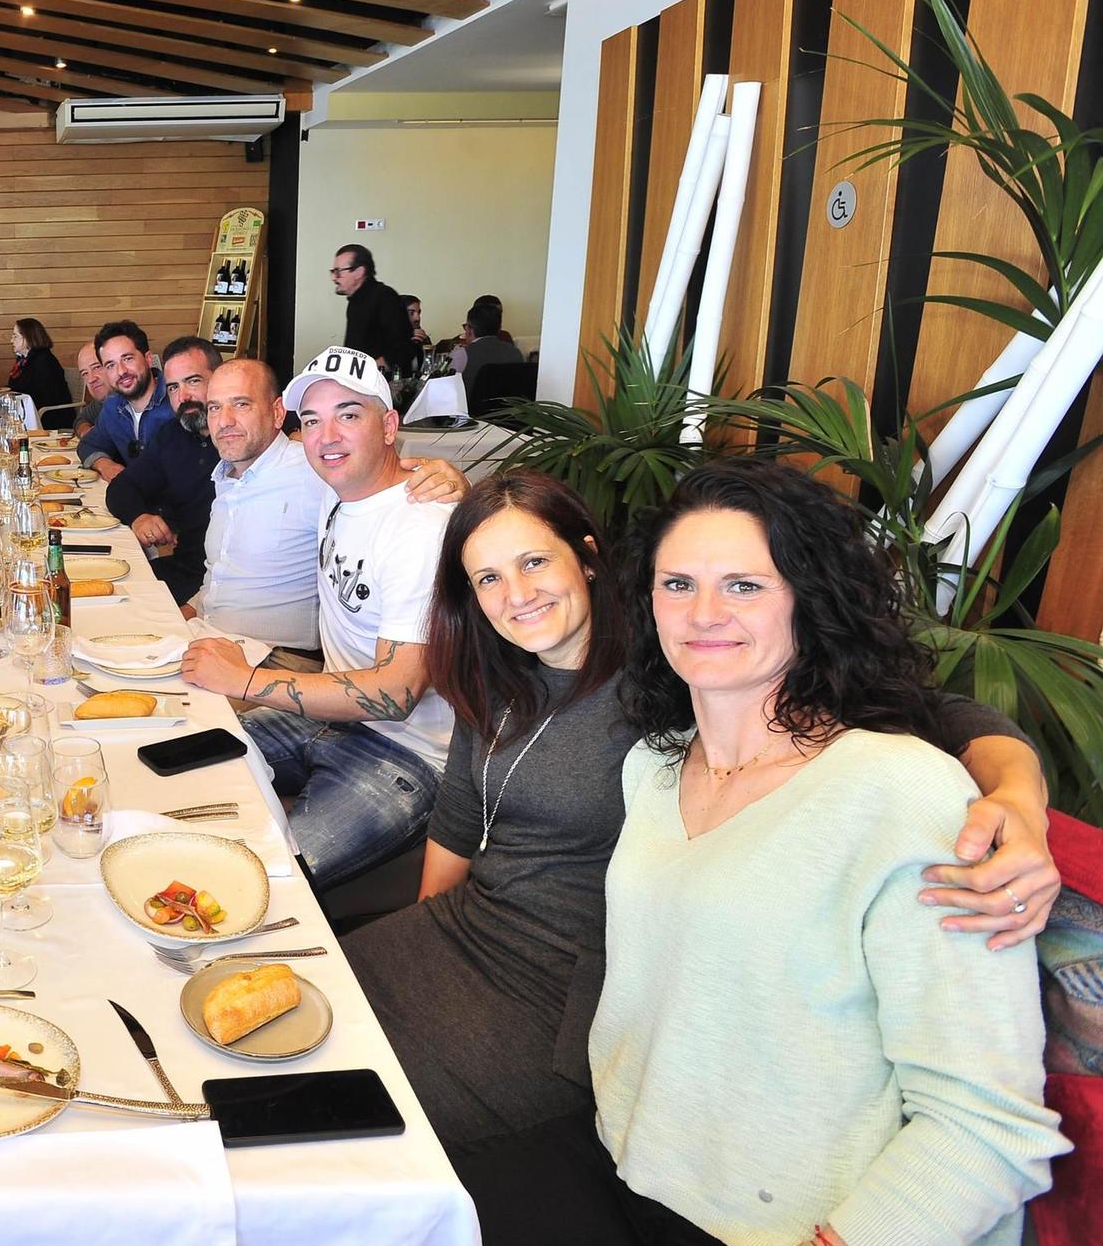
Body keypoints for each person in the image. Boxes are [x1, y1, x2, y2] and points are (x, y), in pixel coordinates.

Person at [342, 470, 1060, 1164]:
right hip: (472, 937)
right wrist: (424, 951)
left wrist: (1018, 793)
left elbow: (938, 713)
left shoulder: (677, 671)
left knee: (341, 1121)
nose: (517, 594)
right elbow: (459, 823)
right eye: (489, 577)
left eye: (534, 561)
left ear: (588, 558)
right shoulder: (497, 668)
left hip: (572, 993)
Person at [181, 346, 455, 888]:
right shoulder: (334, 493)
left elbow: (398, 694)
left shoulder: (421, 525)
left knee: (261, 884)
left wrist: (248, 681)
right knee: (173, 767)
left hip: (406, 756)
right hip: (328, 718)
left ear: (389, 426)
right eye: (312, 420)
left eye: (349, 415)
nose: (326, 436)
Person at [185, 358, 468, 665]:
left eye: (241, 404)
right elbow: (217, 579)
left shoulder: (316, 470)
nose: (224, 420)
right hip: (209, 636)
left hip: (275, 658)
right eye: (214, 407)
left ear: (278, 413)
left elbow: (379, 473)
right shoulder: (226, 477)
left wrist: (459, 485)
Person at [103, 336, 222, 603]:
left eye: (193, 381)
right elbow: (122, 487)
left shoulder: (240, 439)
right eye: (173, 388)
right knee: (108, 593)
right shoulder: (172, 435)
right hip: (186, 570)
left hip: (227, 587)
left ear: (220, 379)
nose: (183, 397)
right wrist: (139, 517)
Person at [76, 320, 171, 481]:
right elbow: (88, 445)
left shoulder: (176, 402)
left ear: (148, 359)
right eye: (110, 365)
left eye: (127, 359)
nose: (121, 371)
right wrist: (105, 464)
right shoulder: (113, 406)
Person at [332, 244, 414, 374]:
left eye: (338, 272)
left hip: (382, 386)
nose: (334, 278)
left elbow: (402, 348)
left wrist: (363, 372)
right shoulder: (355, 301)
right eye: (333, 272)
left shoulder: (384, 297)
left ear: (359, 272)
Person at [456, 302, 523, 392]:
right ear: (499, 328)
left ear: (469, 330)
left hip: (470, 405)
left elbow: (444, 384)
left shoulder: (461, 354)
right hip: (509, 405)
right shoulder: (516, 353)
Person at [6, 318, 69, 410]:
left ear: (28, 337)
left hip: (48, 416)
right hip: (28, 410)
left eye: (15, 336)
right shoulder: (23, 360)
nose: (11, 340)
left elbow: (49, 398)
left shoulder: (44, 361)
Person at [73, 338, 110, 438]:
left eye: (97, 367)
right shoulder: (101, 402)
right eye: (85, 373)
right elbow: (81, 419)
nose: (90, 379)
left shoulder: (134, 401)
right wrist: (85, 431)